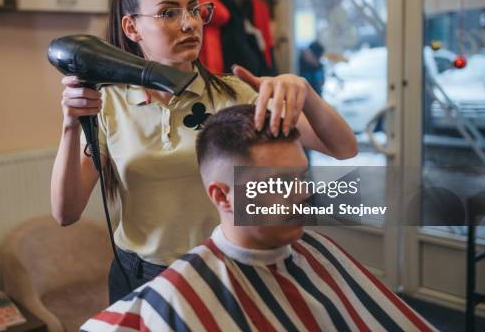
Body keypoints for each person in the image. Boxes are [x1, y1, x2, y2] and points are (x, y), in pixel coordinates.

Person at [50, 0, 358, 304]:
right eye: (169, 13)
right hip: (138, 276)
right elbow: (66, 213)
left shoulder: (235, 94)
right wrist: (71, 125)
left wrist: (305, 93)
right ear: (132, 27)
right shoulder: (108, 104)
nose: (189, 24)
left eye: (194, 10)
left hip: (219, 270)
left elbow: (343, 148)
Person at [80, 105, 436, 332]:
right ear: (222, 196)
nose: (302, 195)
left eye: (301, 177)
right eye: (280, 184)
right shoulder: (174, 296)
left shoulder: (318, 249)